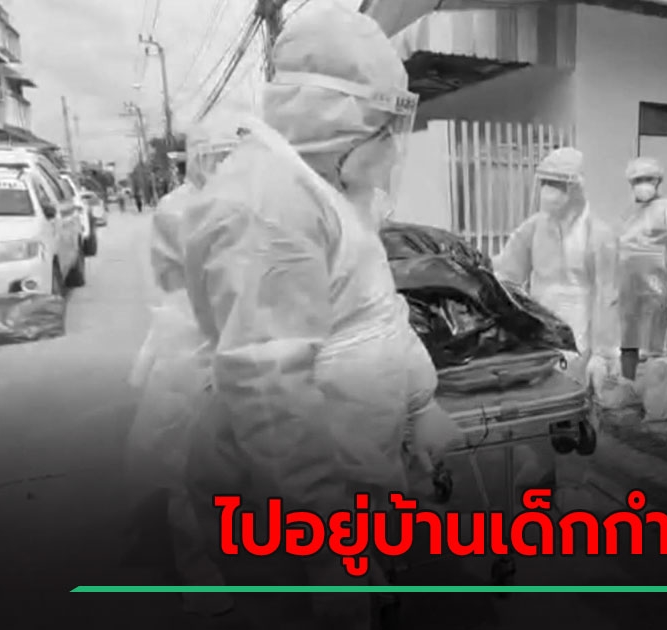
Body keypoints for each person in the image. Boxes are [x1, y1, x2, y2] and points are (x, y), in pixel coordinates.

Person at [178, 3, 458, 628]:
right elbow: (269, 389)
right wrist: (323, 535)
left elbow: (376, 311)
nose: (392, 147)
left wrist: (418, 402)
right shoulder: (265, 209)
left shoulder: (324, 191)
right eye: (383, 127)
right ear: (337, 117)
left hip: (351, 473)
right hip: (300, 503)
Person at [125, 119, 241, 618]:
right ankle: (204, 579)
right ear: (195, 158)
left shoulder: (250, 204)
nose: (224, 165)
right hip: (192, 345)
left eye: (232, 155)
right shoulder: (178, 209)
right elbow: (173, 282)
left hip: (235, 340)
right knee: (189, 468)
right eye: (216, 156)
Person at [493, 147, 619, 383]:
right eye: (545, 183)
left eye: (557, 184)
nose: (548, 191)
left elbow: (607, 296)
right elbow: (506, 276)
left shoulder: (599, 235)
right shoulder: (533, 228)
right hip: (539, 335)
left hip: (580, 338)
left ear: (576, 188)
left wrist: (603, 353)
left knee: (577, 395)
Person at [616, 157, 667, 412]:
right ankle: (627, 392)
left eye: (648, 179)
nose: (643, 184)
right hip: (628, 289)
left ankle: (657, 405)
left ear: (658, 181)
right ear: (630, 183)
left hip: (657, 291)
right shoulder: (628, 213)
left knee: (656, 350)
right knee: (627, 344)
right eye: (637, 180)